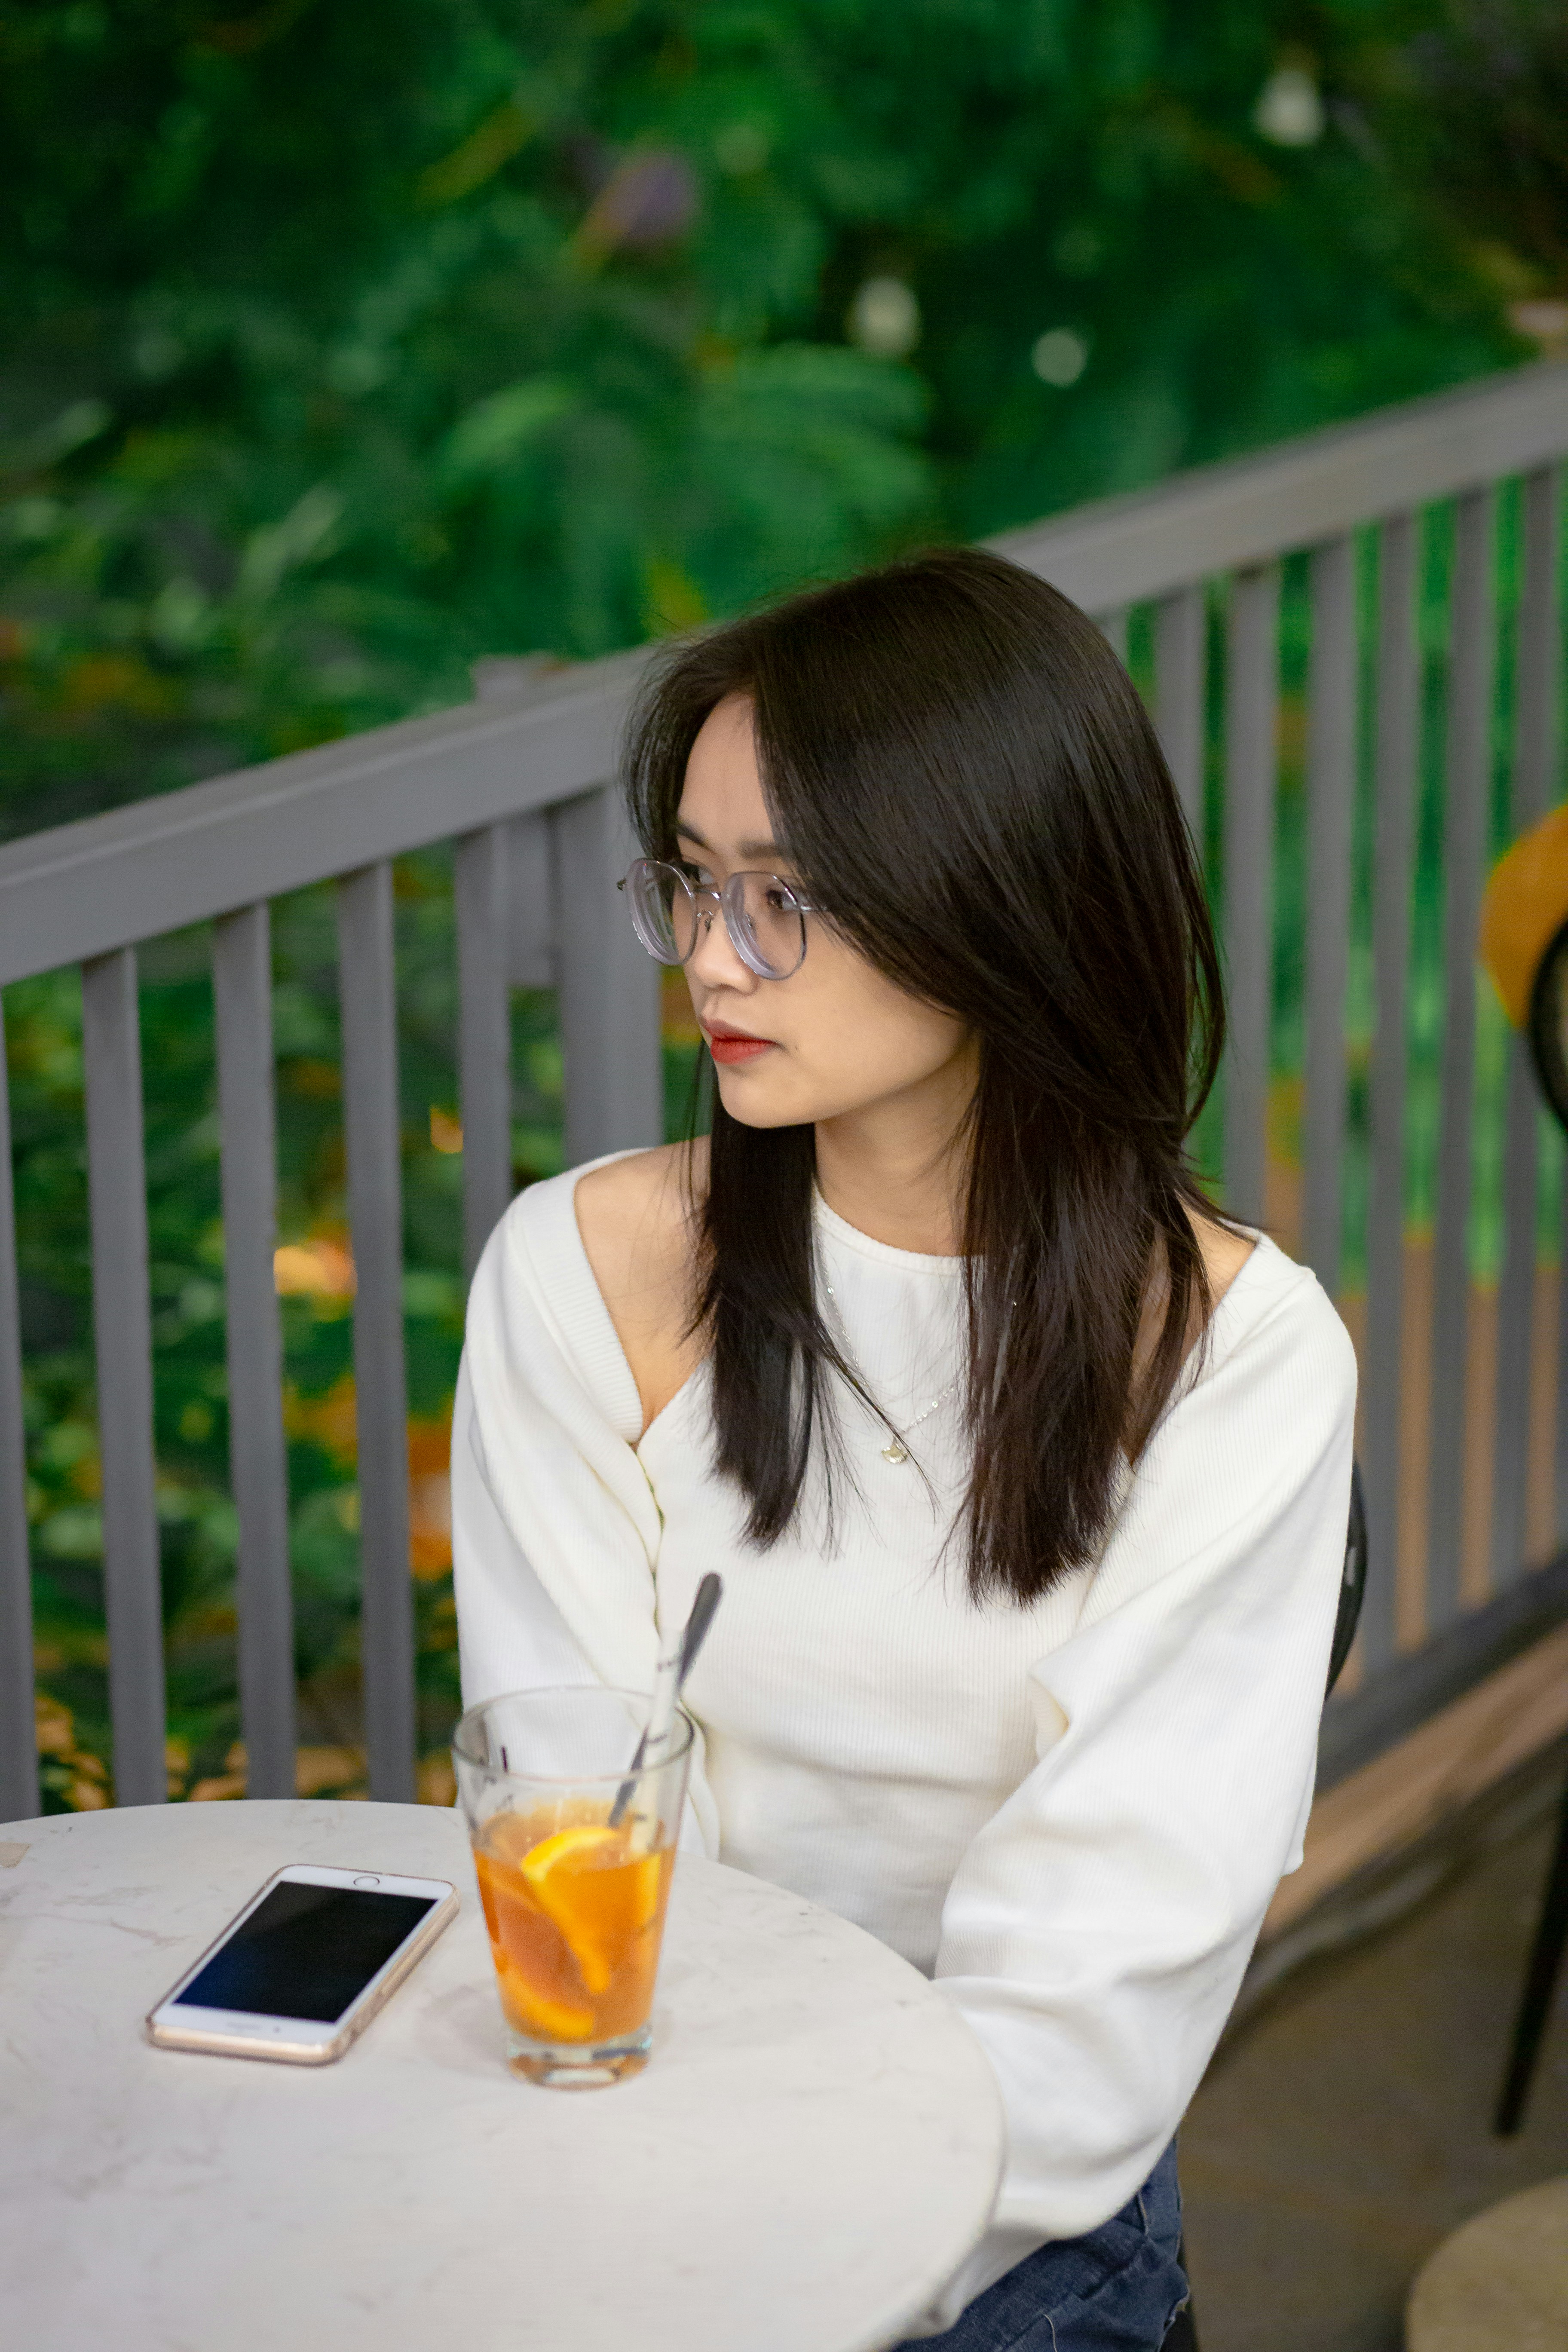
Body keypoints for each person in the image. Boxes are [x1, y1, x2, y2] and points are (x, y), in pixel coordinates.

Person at [453, 547, 1356, 2349]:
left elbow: (1089, 2006)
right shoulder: (585, 1275)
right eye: (695, 883)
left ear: (1001, 905)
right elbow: (579, 1819)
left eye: (789, 897)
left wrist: (782, 2277)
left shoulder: (1236, 1360)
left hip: (1010, 2213)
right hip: (643, 2131)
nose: (713, 958)